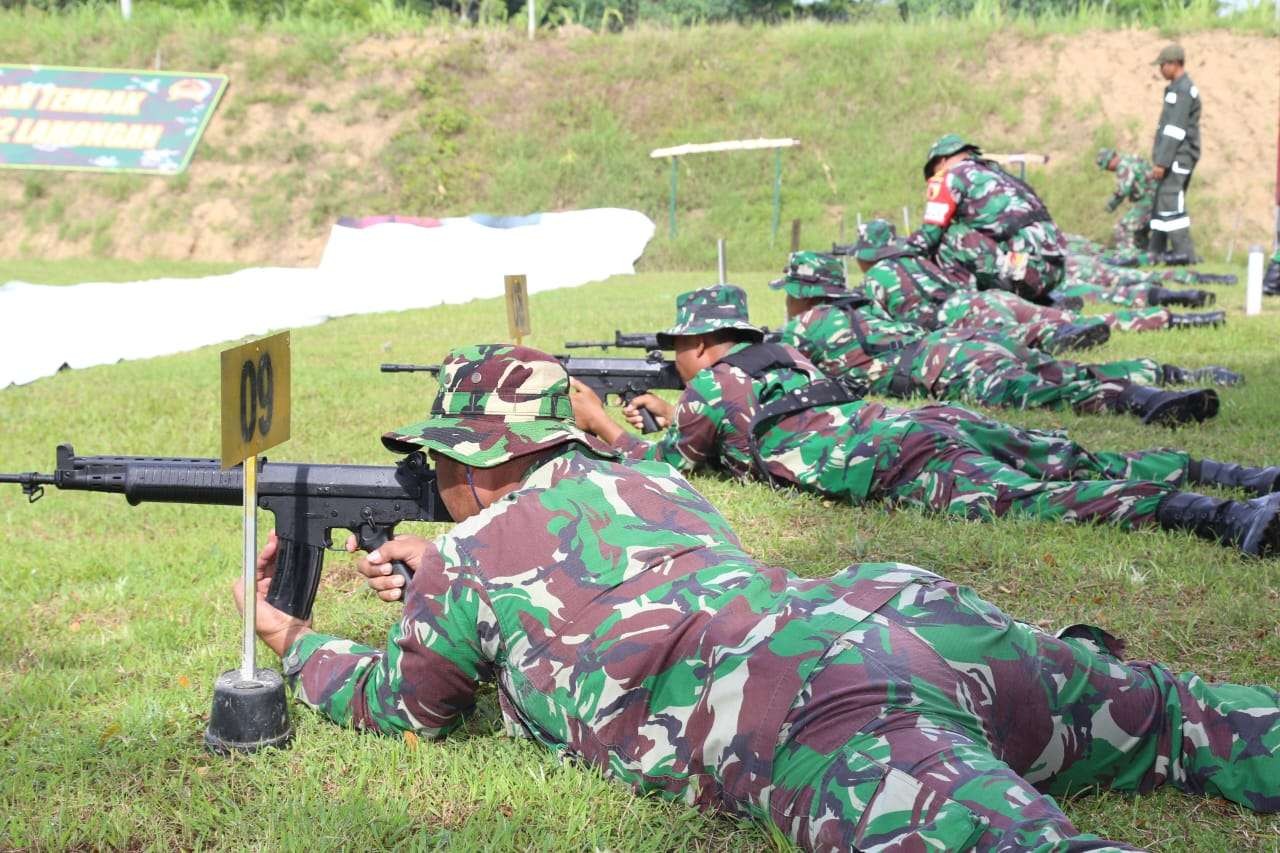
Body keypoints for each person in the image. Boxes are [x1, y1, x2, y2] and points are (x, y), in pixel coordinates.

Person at [234, 342, 1280, 852]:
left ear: (472, 460)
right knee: (1184, 715)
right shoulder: (649, 478)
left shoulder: (470, 557)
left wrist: (291, 636)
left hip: (809, 703)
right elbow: (580, 566)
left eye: (440, 469)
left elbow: (403, 707)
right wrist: (441, 568)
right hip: (904, 618)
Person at [570, 286, 1280, 555]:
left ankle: (1223, 518)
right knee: (1072, 457)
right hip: (922, 419)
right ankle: (1242, 476)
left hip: (893, 458)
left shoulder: (711, 390)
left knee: (1041, 499)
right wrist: (675, 411)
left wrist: (603, 421)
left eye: (678, 349)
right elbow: (742, 417)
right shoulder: (781, 353)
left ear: (697, 344)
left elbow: (665, 469)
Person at [773, 250, 1234, 424]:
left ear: (799, 294)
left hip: (943, 365)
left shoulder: (802, 327)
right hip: (965, 338)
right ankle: (1179, 372)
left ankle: (1142, 401)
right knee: (1069, 368)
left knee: (1051, 391)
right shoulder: (862, 305)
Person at [843, 224, 1224, 348]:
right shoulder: (919, 260)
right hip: (987, 297)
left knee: (1029, 335)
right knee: (1088, 311)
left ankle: (1055, 335)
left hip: (961, 317)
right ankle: (1184, 318)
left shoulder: (876, 279)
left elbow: (875, 329)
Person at [907, 133, 1067, 303]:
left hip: (1025, 274)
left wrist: (900, 255)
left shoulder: (949, 176)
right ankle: (1039, 304)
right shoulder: (999, 175)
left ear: (942, 161)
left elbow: (929, 235)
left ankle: (965, 306)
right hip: (1054, 273)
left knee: (951, 235)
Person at [1148, 43, 1201, 262]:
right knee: (1162, 200)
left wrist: (1162, 162)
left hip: (1178, 156)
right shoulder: (1176, 88)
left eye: (1163, 65)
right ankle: (1155, 251)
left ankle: (1184, 254)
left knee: (1171, 200)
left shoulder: (1182, 90)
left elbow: (1175, 130)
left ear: (1175, 64)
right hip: (1173, 156)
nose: (1160, 70)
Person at [1097, 147, 1156, 252]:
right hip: (1156, 198)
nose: (1108, 169)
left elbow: (1123, 190)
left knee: (1122, 227)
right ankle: (1147, 252)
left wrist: (1112, 205)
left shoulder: (1123, 166)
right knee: (1138, 231)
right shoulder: (1131, 158)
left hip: (1147, 202)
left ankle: (1127, 254)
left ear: (1111, 160)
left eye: (1106, 166)